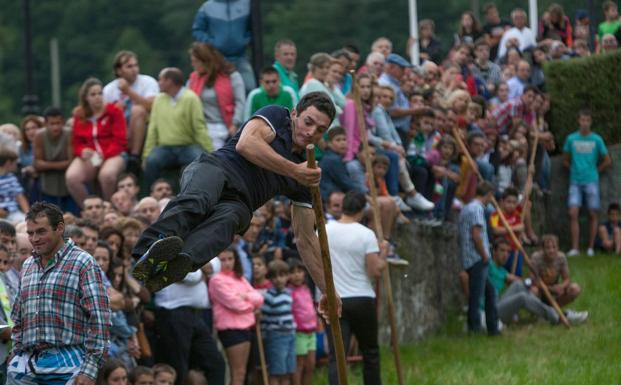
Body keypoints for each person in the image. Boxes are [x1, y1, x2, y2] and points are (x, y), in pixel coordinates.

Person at [131, 92, 336, 303]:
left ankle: (175, 266)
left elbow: (305, 239)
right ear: (295, 114)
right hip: (217, 169)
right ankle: (144, 255)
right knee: (198, 200)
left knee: (228, 223)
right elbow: (246, 144)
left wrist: (328, 291)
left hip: (240, 203)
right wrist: (294, 170)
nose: (311, 132)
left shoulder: (305, 174)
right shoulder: (277, 117)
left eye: (320, 130)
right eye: (308, 122)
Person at [9, 202, 110, 384]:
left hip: (69, 366)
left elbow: (100, 319)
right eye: (30, 233)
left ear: (60, 228)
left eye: (41, 231)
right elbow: (18, 315)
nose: (35, 238)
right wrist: (16, 353)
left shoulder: (83, 262)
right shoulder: (28, 265)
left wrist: (90, 370)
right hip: (27, 367)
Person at [325, 191, 387, 385]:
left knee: (337, 356)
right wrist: (383, 253)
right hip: (362, 298)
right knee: (370, 352)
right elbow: (375, 271)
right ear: (361, 211)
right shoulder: (366, 234)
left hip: (334, 299)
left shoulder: (324, 230)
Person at [142, 67, 213, 189]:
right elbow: (153, 128)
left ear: (170, 81)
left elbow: (199, 127)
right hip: (165, 148)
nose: (159, 83)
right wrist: (146, 154)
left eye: (161, 79)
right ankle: (152, 195)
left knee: (201, 162)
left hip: (188, 146)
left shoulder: (191, 98)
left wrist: (210, 151)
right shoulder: (159, 100)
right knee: (151, 161)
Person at [489, 239, 589, 325]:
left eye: (508, 252)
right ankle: (559, 316)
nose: (505, 255)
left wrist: (533, 278)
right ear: (494, 251)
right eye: (502, 250)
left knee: (519, 285)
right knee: (522, 298)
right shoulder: (487, 266)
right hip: (489, 312)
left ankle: (545, 313)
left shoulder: (502, 271)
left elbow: (523, 282)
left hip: (498, 304)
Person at [153, 266, 225, 385]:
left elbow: (215, 266)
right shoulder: (165, 247)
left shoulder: (194, 247)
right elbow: (190, 276)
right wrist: (201, 267)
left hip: (197, 314)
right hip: (173, 312)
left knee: (216, 363)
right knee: (178, 366)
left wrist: (195, 265)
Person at [66, 78, 127, 206]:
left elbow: (120, 140)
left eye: (100, 93)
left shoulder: (114, 111)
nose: (97, 97)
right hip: (91, 155)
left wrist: (104, 155)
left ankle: (111, 208)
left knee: (106, 175)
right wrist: (82, 151)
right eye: (93, 94)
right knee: (72, 178)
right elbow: (76, 142)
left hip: (114, 153)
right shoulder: (80, 115)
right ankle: (89, 209)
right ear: (86, 98)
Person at [209, 248, 263, 385]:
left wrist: (244, 296)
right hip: (231, 330)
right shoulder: (216, 280)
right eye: (223, 259)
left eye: (230, 259)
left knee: (243, 372)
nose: (227, 263)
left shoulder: (239, 277)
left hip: (246, 328)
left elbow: (259, 298)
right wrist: (251, 306)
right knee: (237, 372)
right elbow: (235, 303)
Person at [563, 108, 611, 257]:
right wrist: (572, 169)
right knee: (573, 212)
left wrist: (596, 170)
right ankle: (575, 248)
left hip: (591, 180)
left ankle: (590, 247)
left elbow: (607, 159)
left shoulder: (596, 139)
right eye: (582, 120)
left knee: (593, 212)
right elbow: (565, 159)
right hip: (575, 181)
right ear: (578, 121)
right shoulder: (571, 139)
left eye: (587, 120)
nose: (584, 123)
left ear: (590, 122)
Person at [103, 51, 159, 175]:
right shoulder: (109, 90)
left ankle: (134, 158)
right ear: (119, 71)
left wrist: (128, 91)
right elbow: (103, 117)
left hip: (144, 127)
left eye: (136, 65)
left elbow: (151, 106)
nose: (134, 70)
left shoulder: (148, 82)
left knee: (137, 110)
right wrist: (115, 110)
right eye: (129, 66)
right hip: (120, 131)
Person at [458, 181, 499, 335]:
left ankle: (492, 327)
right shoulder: (477, 209)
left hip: (468, 256)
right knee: (477, 295)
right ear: (488, 194)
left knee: (490, 291)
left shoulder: (466, 208)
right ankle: (474, 328)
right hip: (476, 258)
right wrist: (484, 255)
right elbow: (476, 234)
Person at [187, 42, 246, 150]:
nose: (193, 65)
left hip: (227, 127)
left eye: (195, 62)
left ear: (206, 61)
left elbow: (240, 102)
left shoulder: (232, 76)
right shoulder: (193, 78)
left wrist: (235, 124)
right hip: (202, 128)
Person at [191, 0, 256, 92]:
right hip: (217, 59)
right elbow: (197, 30)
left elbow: (255, 26)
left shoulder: (247, 4)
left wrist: (246, 40)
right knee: (218, 91)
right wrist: (211, 43)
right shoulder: (207, 7)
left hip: (240, 57)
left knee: (250, 88)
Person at [33, 107, 77, 214]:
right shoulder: (39, 135)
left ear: (63, 122)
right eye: (52, 124)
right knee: (50, 217)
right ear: (46, 124)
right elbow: (37, 164)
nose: (55, 127)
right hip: (47, 185)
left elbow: (72, 162)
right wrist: (62, 164)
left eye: (58, 123)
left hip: (68, 185)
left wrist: (47, 165)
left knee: (72, 215)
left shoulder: (69, 133)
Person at [260, 260, 296, 385]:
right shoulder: (269, 296)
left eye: (282, 275)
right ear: (270, 278)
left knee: (287, 370)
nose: (278, 279)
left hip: (290, 334)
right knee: (277, 371)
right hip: (276, 336)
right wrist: (265, 335)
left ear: (287, 276)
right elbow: (263, 317)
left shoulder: (288, 293)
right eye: (274, 276)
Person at [531, 235, 584, 308]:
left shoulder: (561, 257)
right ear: (542, 249)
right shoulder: (536, 258)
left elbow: (567, 279)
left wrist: (561, 286)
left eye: (554, 247)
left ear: (558, 248)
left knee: (575, 288)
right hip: (540, 289)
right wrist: (549, 288)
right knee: (533, 290)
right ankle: (537, 310)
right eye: (548, 248)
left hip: (555, 289)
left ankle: (553, 308)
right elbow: (533, 280)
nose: (551, 251)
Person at [288, 259, 316, 385]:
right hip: (298, 333)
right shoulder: (289, 291)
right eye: (293, 272)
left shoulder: (306, 289)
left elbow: (311, 308)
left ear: (304, 273)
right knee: (299, 365)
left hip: (312, 332)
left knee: (310, 365)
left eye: (299, 271)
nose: (297, 275)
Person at [319, 126, 361, 201]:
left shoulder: (333, 157)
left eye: (344, 139)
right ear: (329, 144)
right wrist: (364, 193)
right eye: (338, 140)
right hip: (330, 198)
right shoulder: (333, 159)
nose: (342, 143)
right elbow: (346, 183)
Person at [0, 146, 29, 224]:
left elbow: (20, 196)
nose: (17, 165)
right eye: (15, 163)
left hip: (13, 213)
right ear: (8, 163)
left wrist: (27, 214)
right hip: (2, 215)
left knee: (26, 224)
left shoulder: (12, 178)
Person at [18, 115, 42, 203]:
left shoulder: (45, 145)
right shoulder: (21, 148)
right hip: (28, 180)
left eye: (34, 128)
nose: (31, 131)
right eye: (27, 129)